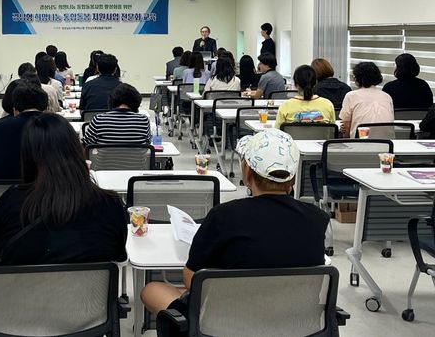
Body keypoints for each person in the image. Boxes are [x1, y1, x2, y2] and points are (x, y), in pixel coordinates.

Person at [140, 129, 328, 317]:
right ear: (292, 177)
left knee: (152, 290)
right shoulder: (317, 219)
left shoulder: (224, 215)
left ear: (247, 172)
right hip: (293, 318)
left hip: (227, 318)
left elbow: (192, 280)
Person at [0, 112, 127, 267]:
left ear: (27, 156)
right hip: (91, 291)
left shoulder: (10, 202)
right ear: (77, 150)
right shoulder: (111, 205)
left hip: (24, 291)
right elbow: (117, 265)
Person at [0, 83, 48, 179]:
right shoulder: (59, 126)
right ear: (46, 108)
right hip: (49, 192)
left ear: (14, 110)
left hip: (5, 192)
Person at [82, 83, 151, 146]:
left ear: (111, 101)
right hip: (136, 159)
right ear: (136, 102)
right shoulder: (143, 121)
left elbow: (86, 145)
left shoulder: (99, 120)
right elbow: (147, 144)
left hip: (105, 159)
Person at [339, 62, 394, 138]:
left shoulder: (351, 96)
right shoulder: (386, 96)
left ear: (357, 78)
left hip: (361, 143)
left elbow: (346, 126)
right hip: (387, 144)